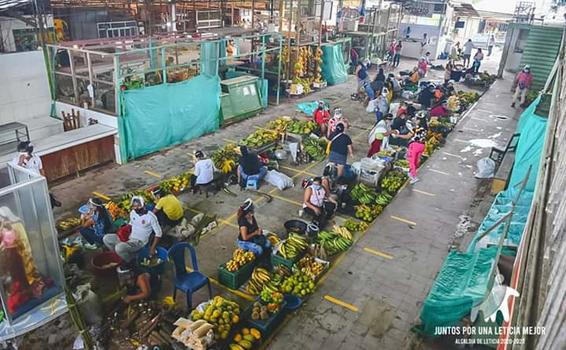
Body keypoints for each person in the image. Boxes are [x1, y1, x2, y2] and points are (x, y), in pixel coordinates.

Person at [103, 196, 162, 263]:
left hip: (139, 242)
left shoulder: (151, 217)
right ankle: (120, 257)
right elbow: (131, 224)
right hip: (130, 237)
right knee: (106, 238)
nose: (136, 208)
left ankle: (131, 262)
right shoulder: (133, 213)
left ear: (144, 205)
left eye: (139, 206)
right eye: (134, 206)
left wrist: (152, 248)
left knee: (119, 248)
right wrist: (123, 230)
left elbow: (159, 233)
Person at [11, 141, 61, 208]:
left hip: (37, 183)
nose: (22, 153)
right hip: (25, 185)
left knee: (42, 198)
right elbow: (15, 172)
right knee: (30, 203)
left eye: (24, 151)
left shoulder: (36, 158)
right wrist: (20, 162)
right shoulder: (15, 160)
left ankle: (51, 203)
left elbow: (41, 170)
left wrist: (44, 181)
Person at [393, 115, 428, 184]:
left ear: (419, 120)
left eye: (417, 119)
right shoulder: (425, 128)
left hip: (415, 145)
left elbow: (407, 136)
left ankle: (414, 177)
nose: (415, 121)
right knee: (416, 161)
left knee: (411, 161)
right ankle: (412, 172)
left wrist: (398, 135)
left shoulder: (416, 128)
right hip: (422, 145)